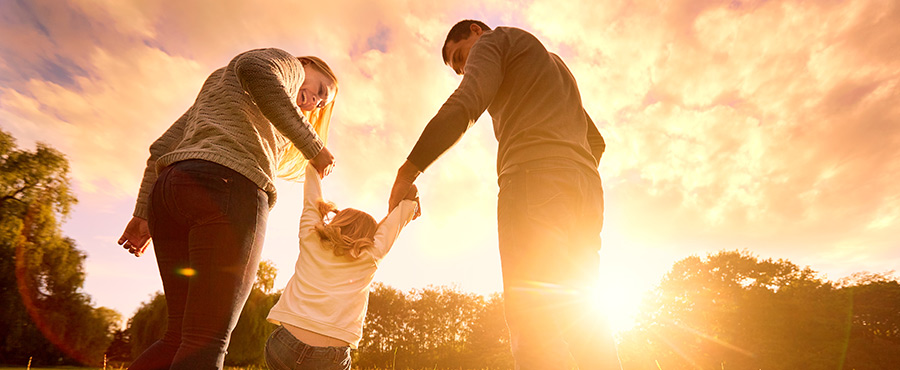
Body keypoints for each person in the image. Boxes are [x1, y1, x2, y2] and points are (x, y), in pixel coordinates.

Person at [387, 20, 621, 369]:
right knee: (583, 318)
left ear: (476, 31)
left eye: (462, 58)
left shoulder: (496, 41)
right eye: (458, 68)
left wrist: (408, 172)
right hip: (586, 192)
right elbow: (596, 141)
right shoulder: (551, 63)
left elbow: (467, 102)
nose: (465, 69)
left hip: (533, 179)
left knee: (532, 317)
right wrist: (569, 171)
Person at [117, 48, 339, 370]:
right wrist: (314, 146)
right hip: (227, 189)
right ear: (306, 64)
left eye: (321, 103)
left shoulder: (221, 87)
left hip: (169, 194)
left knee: (180, 337)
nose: (314, 102)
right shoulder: (286, 65)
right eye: (320, 90)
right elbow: (255, 68)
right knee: (206, 340)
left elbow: (162, 148)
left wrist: (143, 214)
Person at [265, 164, 420, 370]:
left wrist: (315, 166)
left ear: (338, 221)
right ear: (370, 237)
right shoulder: (371, 255)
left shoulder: (311, 236)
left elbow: (312, 199)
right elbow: (395, 222)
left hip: (283, 346)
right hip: (329, 357)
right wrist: (409, 201)